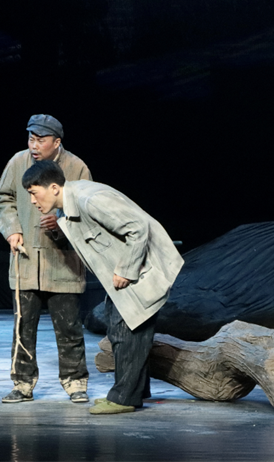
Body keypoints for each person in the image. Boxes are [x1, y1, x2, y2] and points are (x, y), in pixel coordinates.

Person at [22, 160, 184, 414]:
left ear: (53, 188)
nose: (32, 201)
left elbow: (137, 227)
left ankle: (123, 398)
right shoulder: (69, 206)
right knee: (122, 327)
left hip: (144, 269)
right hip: (127, 273)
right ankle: (135, 393)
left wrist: (126, 269)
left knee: (126, 330)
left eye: (34, 193)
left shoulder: (90, 200)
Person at [0, 114, 92, 404]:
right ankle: (22, 383)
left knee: (69, 326)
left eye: (41, 140)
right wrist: (12, 230)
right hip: (25, 258)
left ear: (57, 142)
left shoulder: (76, 167)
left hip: (63, 261)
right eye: (31, 139)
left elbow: (87, 209)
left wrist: (60, 223)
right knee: (23, 326)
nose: (34, 146)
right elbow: (4, 198)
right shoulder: (18, 162)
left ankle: (75, 381)